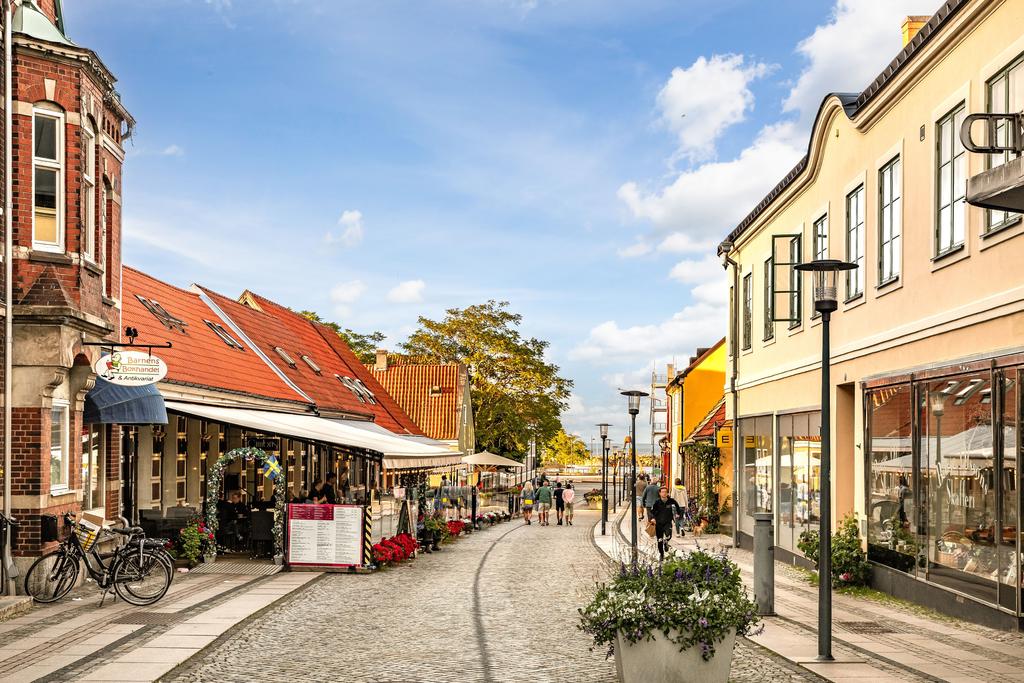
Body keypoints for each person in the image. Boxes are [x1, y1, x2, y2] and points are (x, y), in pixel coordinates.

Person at [650, 486, 682, 560]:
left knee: (668, 535)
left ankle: (666, 542)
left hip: (668, 522)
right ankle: (661, 554)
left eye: (665, 492)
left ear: (667, 493)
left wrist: (678, 514)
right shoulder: (657, 502)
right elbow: (652, 511)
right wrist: (653, 518)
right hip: (659, 524)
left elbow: (677, 507)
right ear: (660, 493)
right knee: (659, 540)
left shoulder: (671, 501)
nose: (664, 493)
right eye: (662, 492)